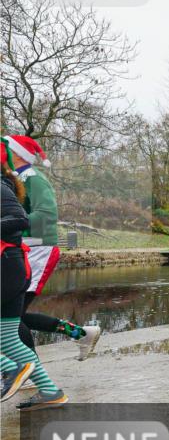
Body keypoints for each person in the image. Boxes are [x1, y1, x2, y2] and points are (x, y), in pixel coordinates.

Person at [2, 135, 101, 362]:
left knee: (11, 318)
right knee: (11, 317)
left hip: (39, 250)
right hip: (21, 250)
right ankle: (81, 334)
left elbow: (47, 214)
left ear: (15, 153)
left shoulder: (34, 178)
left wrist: (13, 225)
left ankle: (28, 369)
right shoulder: (14, 178)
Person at [1, 145, 67, 410]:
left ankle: (10, 369)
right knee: (8, 337)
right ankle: (50, 391)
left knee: (12, 334)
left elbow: (20, 218)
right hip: (12, 266)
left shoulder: (2, 186)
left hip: (9, 266)